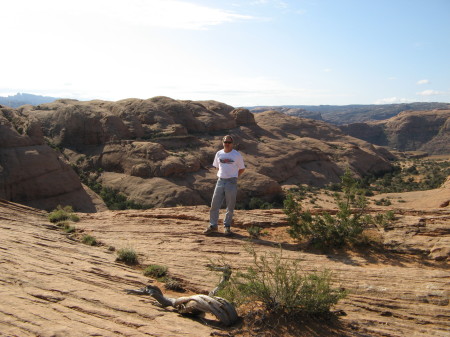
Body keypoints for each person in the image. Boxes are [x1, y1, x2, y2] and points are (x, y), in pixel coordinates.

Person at [204, 135, 245, 235]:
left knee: (230, 206)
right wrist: (222, 175)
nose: (227, 144)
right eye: (225, 142)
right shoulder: (219, 153)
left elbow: (242, 168)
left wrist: (234, 177)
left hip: (231, 182)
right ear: (222, 142)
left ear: (232, 143)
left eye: (229, 142)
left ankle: (227, 227)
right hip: (220, 181)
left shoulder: (236, 155)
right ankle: (213, 226)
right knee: (214, 205)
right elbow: (217, 167)